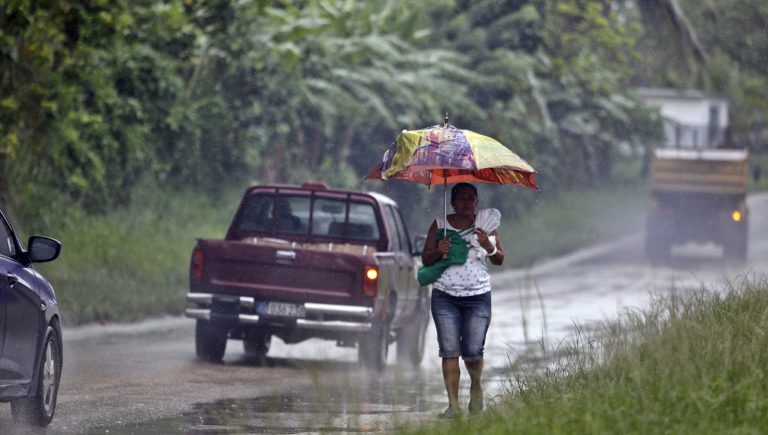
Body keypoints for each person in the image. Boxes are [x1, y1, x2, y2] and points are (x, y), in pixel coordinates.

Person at [421, 182, 504, 418]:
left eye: (471, 199)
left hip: (478, 297)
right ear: (453, 202)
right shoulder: (440, 225)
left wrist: (489, 246)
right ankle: (453, 406)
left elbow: (499, 259)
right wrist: (439, 249)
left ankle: (476, 387)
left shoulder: (487, 226)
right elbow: (427, 260)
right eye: (461, 199)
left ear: (477, 202)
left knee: (473, 350)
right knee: (449, 351)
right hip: (444, 296)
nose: (466, 203)